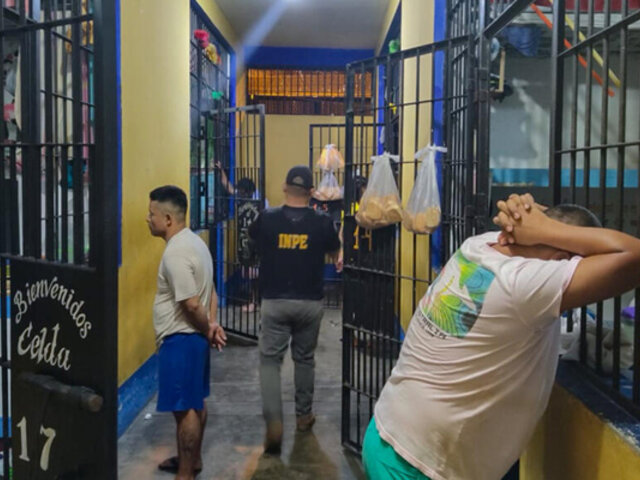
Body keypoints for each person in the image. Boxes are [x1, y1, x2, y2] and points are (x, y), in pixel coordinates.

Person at [362, 193, 640, 480]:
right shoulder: (524, 283)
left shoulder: (479, 246)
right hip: (420, 467)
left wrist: (531, 218)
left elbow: (524, 222)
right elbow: (634, 258)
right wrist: (546, 229)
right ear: (563, 260)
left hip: (389, 434)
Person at [248, 166, 341, 455]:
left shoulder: (267, 218)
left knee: (270, 362)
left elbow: (253, 246)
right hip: (309, 302)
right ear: (312, 192)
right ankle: (303, 416)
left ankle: (274, 421)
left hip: (275, 300)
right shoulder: (322, 222)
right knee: (304, 360)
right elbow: (334, 250)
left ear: (284, 187)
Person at [146, 185, 227, 480]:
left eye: (152, 214)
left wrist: (207, 328)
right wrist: (212, 326)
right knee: (194, 401)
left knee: (185, 409)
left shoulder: (176, 254)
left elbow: (192, 304)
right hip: (194, 339)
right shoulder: (196, 243)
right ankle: (192, 461)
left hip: (181, 339)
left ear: (168, 219)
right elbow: (212, 292)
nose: (147, 219)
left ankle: (185, 474)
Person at [216, 161, 264, 312]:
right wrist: (221, 170)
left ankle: (255, 301)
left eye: (242, 192)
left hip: (257, 242)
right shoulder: (246, 198)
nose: (240, 194)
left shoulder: (260, 201)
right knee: (250, 272)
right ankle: (254, 300)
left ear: (248, 191)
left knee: (255, 273)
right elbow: (228, 186)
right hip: (245, 241)